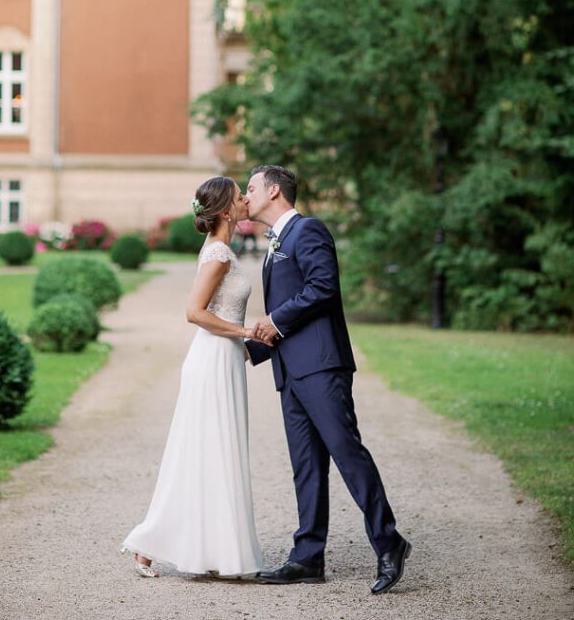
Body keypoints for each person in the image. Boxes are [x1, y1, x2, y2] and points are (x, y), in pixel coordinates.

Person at [244, 165, 411, 594]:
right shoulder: (275, 242)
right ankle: (307, 557)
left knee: (346, 453)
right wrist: (245, 350)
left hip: (320, 366)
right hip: (290, 371)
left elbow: (323, 288)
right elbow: (287, 305)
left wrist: (274, 322)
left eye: (251, 188)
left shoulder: (308, 230)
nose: (246, 196)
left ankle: (389, 542)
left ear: (274, 191)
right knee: (306, 467)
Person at [121, 176, 263, 578]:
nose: (245, 201)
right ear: (224, 211)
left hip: (223, 357)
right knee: (205, 450)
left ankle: (206, 549)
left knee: (211, 452)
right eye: (240, 197)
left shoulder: (222, 249)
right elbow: (194, 312)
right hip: (214, 357)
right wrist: (244, 331)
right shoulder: (218, 254)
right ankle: (150, 541)